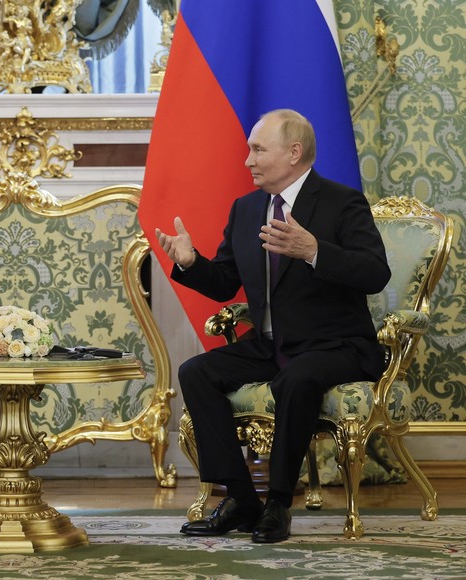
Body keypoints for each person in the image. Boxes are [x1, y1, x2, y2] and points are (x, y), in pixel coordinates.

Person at [155, 109, 390, 543]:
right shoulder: (246, 209)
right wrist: (190, 264)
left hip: (333, 345)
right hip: (269, 345)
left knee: (298, 378)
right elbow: (226, 281)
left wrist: (315, 250)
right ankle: (242, 499)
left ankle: (278, 504)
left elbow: (376, 273)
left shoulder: (342, 202)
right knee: (197, 372)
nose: (248, 160)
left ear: (294, 153)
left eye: (258, 149)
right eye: (249, 149)